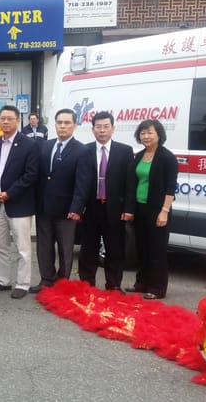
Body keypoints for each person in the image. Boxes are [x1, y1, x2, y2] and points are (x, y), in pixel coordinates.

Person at [31, 108, 91, 293]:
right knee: (44, 246)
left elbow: (83, 183)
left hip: (67, 209)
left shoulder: (82, 150)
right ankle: (46, 279)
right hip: (44, 207)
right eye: (59, 122)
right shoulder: (44, 146)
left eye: (67, 123)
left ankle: (62, 281)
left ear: (75, 125)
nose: (63, 126)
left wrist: (76, 208)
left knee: (65, 249)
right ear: (55, 124)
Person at [0, 105, 39, 299]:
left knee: (23, 247)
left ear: (18, 121)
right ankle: (3, 280)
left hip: (19, 204)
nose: (6, 122)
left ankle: (23, 284)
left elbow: (30, 175)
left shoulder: (29, 145)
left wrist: (9, 193)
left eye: (10, 118)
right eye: (2, 119)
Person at [78, 111, 134, 293]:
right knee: (88, 248)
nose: (102, 131)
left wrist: (128, 208)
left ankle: (114, 284)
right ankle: (87, 283)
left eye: (106, 127)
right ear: (93, 129)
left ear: (113, 129)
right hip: (91, 207)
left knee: (115, 248)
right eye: (98, 127)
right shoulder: (84, 150)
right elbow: (79, 182)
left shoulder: (124, 151)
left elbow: (129, 183)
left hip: (114, 207)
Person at [123, 119, 178, 300]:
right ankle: (142, 283)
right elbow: (132, 183)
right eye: (142, 133)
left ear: (159, 135)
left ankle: (157, 288)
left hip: (158, 210)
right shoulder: (139, 156)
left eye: (149, 133)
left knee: (157, 250)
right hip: (140, 208)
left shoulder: (167, 157)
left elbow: (171, 187)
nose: (145, 136)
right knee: (142, 248)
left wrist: (164, 211)